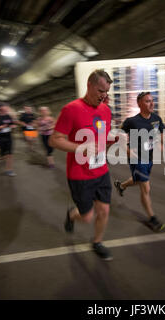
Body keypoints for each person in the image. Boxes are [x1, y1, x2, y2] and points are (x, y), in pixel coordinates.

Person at [49, 69, 114, 261]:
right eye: (101, 91)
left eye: (106, 92)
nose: (104, 96)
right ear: (89, 85)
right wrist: (81, 148)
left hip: (101, 170)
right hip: (79, 174)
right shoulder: (71, 109)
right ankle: (72, 215)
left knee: (104, 210)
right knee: (86, 217)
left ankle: (97, 242)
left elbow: (103, 138)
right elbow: (55, 140)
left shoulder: (105, 110)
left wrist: (116, 139)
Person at [113, 92, 165, 232]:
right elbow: (120, 137)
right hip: (137, 159)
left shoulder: (156, 118)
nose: (152, 103)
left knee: (138, 181)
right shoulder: (132, 121)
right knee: (145, 188)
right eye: (148, 101)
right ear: (139, 104)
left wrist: (161, 144)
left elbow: (161, 132)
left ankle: (122, 185)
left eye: (152, 100)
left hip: (149, 157)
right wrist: (129, 151)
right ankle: (152, 218)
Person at [0, 105, 17, 176]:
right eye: (5, 109)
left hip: (9, 138)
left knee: (10, 154)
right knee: (3, 155)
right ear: (0, 109)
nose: (6, 110)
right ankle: (2, 158)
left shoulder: (8, 116)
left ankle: (9, 170)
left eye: (7, 109)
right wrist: (0, 127)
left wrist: (13, 126)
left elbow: (12, 124)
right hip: (1, 138)